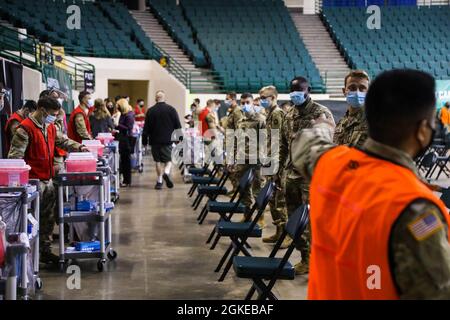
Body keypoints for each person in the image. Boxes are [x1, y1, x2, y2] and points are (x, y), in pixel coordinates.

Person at [291, 69, 450, 300]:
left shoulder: (329, 164)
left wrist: (324, 126)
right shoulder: (415, 210)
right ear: (423, 130)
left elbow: (306, 143)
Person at [8, 97, 88, 264]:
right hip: (31, 184)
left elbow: (63, 140)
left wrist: (80, 147)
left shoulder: (49, 126)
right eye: (53, 114)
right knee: (29, 222)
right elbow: (15, 159)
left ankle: (44, 251)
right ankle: (27, 256)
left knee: (47, 219)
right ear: (43, 110)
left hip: (47, 181)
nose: (54, 117)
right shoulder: (24, 130)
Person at [280, 76, 335, 275]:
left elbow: (326, 147)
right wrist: (280, 172)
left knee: (312, 221)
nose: (295, 94)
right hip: (291, 176)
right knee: (294, 220)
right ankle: (305, 257)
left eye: (299, 90)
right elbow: (284, 146)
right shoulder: (289, 115)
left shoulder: (321, 113)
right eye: (292, 90)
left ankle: (316, 259)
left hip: (310, 178)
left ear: (307, 90)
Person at [258, 86, 289, 246]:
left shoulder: (277, 114)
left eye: (265, 97)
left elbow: (279, 142)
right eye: (261, 97)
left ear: (274, 98)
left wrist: (276, 167)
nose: (262, 100)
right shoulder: (270, 115)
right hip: (270, 160)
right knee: (272, 198)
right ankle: (278, 231)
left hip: (277, 162)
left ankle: (286, 234)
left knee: (279, 199)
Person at [235, 93, 266, 228]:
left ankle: (261, 217)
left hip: (257, 158)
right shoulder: (240, 120)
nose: (245, 105)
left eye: (247, 102)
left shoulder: (260, 119)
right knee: (243, 187)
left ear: (253, 102)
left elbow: (267, 140)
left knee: (258, 188)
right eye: (242, 103)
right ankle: (247, 215)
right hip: (242, 158)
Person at [143, 90, 181, 190]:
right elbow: (178, 125)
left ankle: (159, 181)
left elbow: (146, 128)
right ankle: (166, 173)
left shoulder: (150, 111)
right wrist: (179, 139)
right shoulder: (171, 109)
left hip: (154, 140)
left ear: (156, 98)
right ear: (164, 98)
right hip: (168, 140)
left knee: (157, 161)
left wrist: (144, 142)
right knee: (169, 160)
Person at [334, 70, 370, 147]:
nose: (357, 92)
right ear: (344, 91)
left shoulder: (374, 121)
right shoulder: (341, 122)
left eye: (362, 88)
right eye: (352, 88)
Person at [224, 92, 244, 196]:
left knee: (234, 170)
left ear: (233, 99)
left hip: (234, 145)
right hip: (230, 144)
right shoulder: (231, 111)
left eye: (227, 98)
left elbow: (239, 130)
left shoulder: (237, 111)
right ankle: (235, 188)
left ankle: (238, 191)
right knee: (229, 169)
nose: (226, 101)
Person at [116, 98, 135, 188]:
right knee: (123, 161)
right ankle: (124, 179)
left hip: (127, 140)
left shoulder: (129, 115)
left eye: (118, 106)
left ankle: (127, 181)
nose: (117, 108)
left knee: (126, 161)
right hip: (122, 139)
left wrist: (118, 125)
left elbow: (128, 127)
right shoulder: (123, 115)